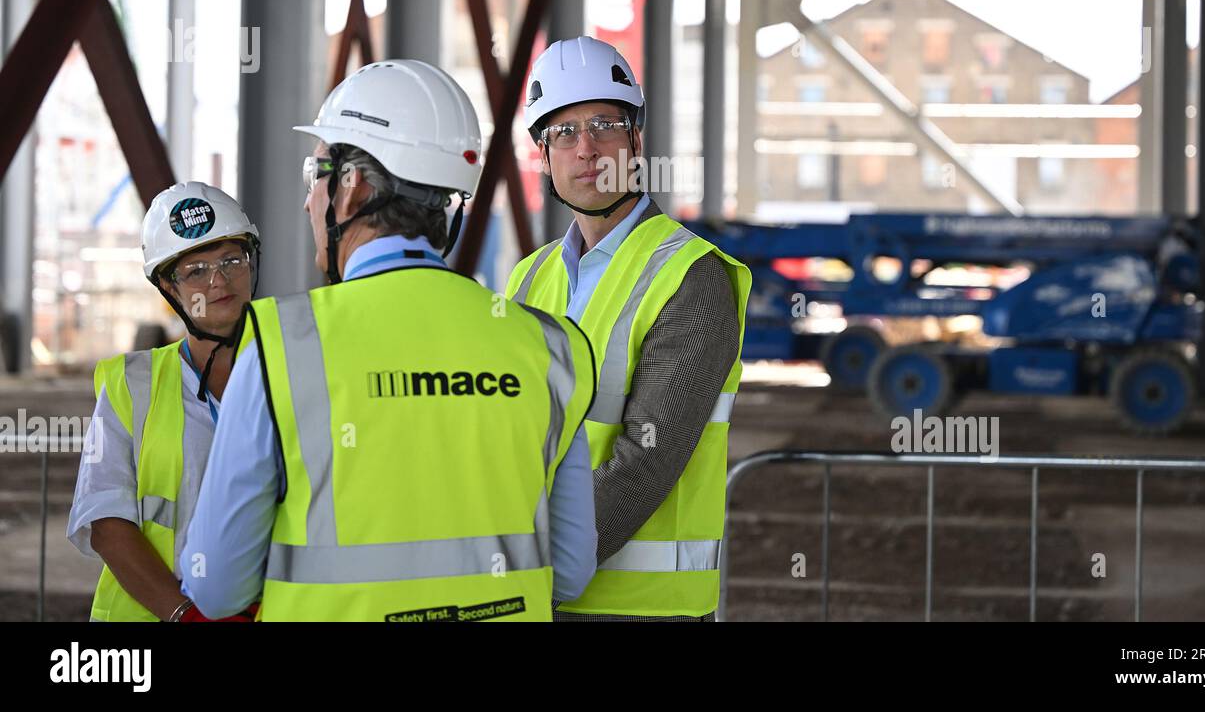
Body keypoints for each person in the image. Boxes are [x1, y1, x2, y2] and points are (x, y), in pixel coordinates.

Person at [181, 59, 597, 621]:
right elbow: (570, 572)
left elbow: (216, 586)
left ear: (351, 189)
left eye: (316, 175)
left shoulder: (285, 345)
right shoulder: (548, 348)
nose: (309, 200)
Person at [507, 35, 751, 621]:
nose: (587, 148)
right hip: (533, 595)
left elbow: (644, 464)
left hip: (639, 607)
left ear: (635, 140)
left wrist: (527, 566)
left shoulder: (692, 276)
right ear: (544, 154)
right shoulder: (527, 279)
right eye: (564, 132)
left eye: (604, 126)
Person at [68, 182, 261, 621]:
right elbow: (108, 525)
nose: (218, 280)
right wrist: (185, 615)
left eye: (232, 260)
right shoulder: (129, 385)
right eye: (195, 270)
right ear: (169, 288)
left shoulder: (292, 370)